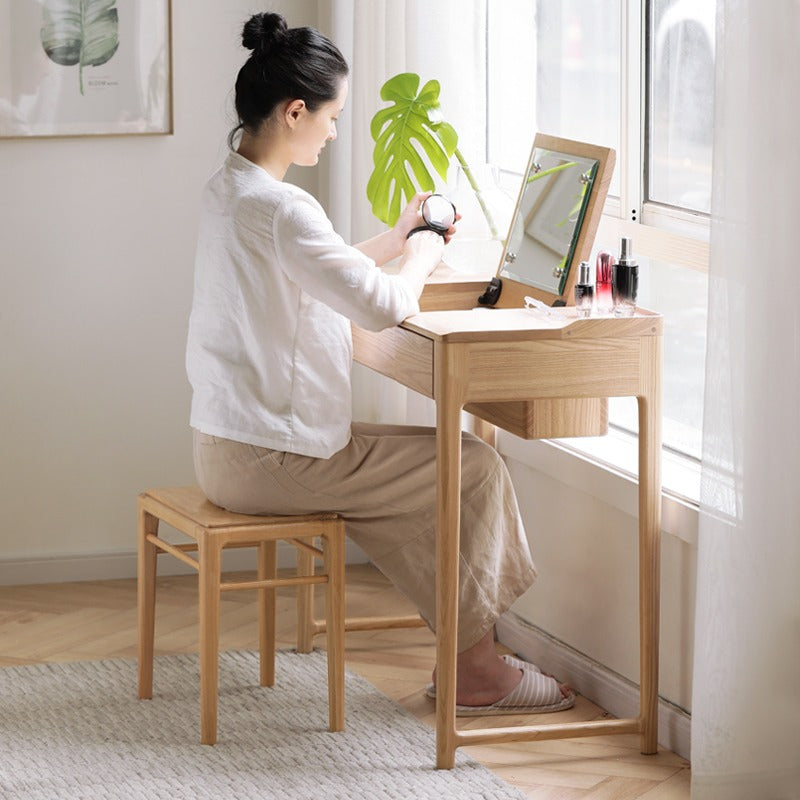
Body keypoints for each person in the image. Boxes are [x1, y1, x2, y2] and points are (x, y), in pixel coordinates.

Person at [186, 10, 573, 715]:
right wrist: (426, 244)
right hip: (274, 458)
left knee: (425, 484)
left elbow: (313, 275)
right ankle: (478, 669)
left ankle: (473, 660)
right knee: (473, 468)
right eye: (330, 116)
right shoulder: (283, 208)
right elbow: (385, 308)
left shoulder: (231, 191)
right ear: (295, 111)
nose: (334, 131)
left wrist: (396, 239)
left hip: (228, 447)